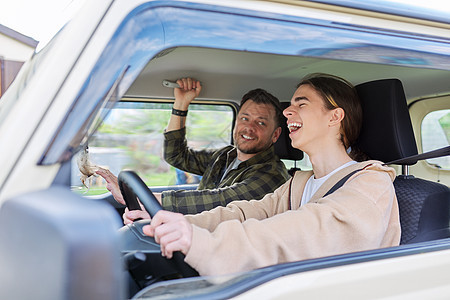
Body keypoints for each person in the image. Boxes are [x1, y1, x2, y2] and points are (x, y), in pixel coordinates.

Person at [141, 73, 401, 276]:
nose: (288, 111)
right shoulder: (298, 184)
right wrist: (179, 223)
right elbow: (244, 212)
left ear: (335, 117)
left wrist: (201, 243)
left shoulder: (371, 182)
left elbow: (303, 230)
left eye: (302, 103)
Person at [97, 77, 290, 217]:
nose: (249, 127)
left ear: (275, 135)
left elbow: (220, 200)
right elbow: (177, 156)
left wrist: (143, 197)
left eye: (261, 123)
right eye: (244, 118)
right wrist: (181, 104)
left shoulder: (272, 175)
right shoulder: (226, 155)